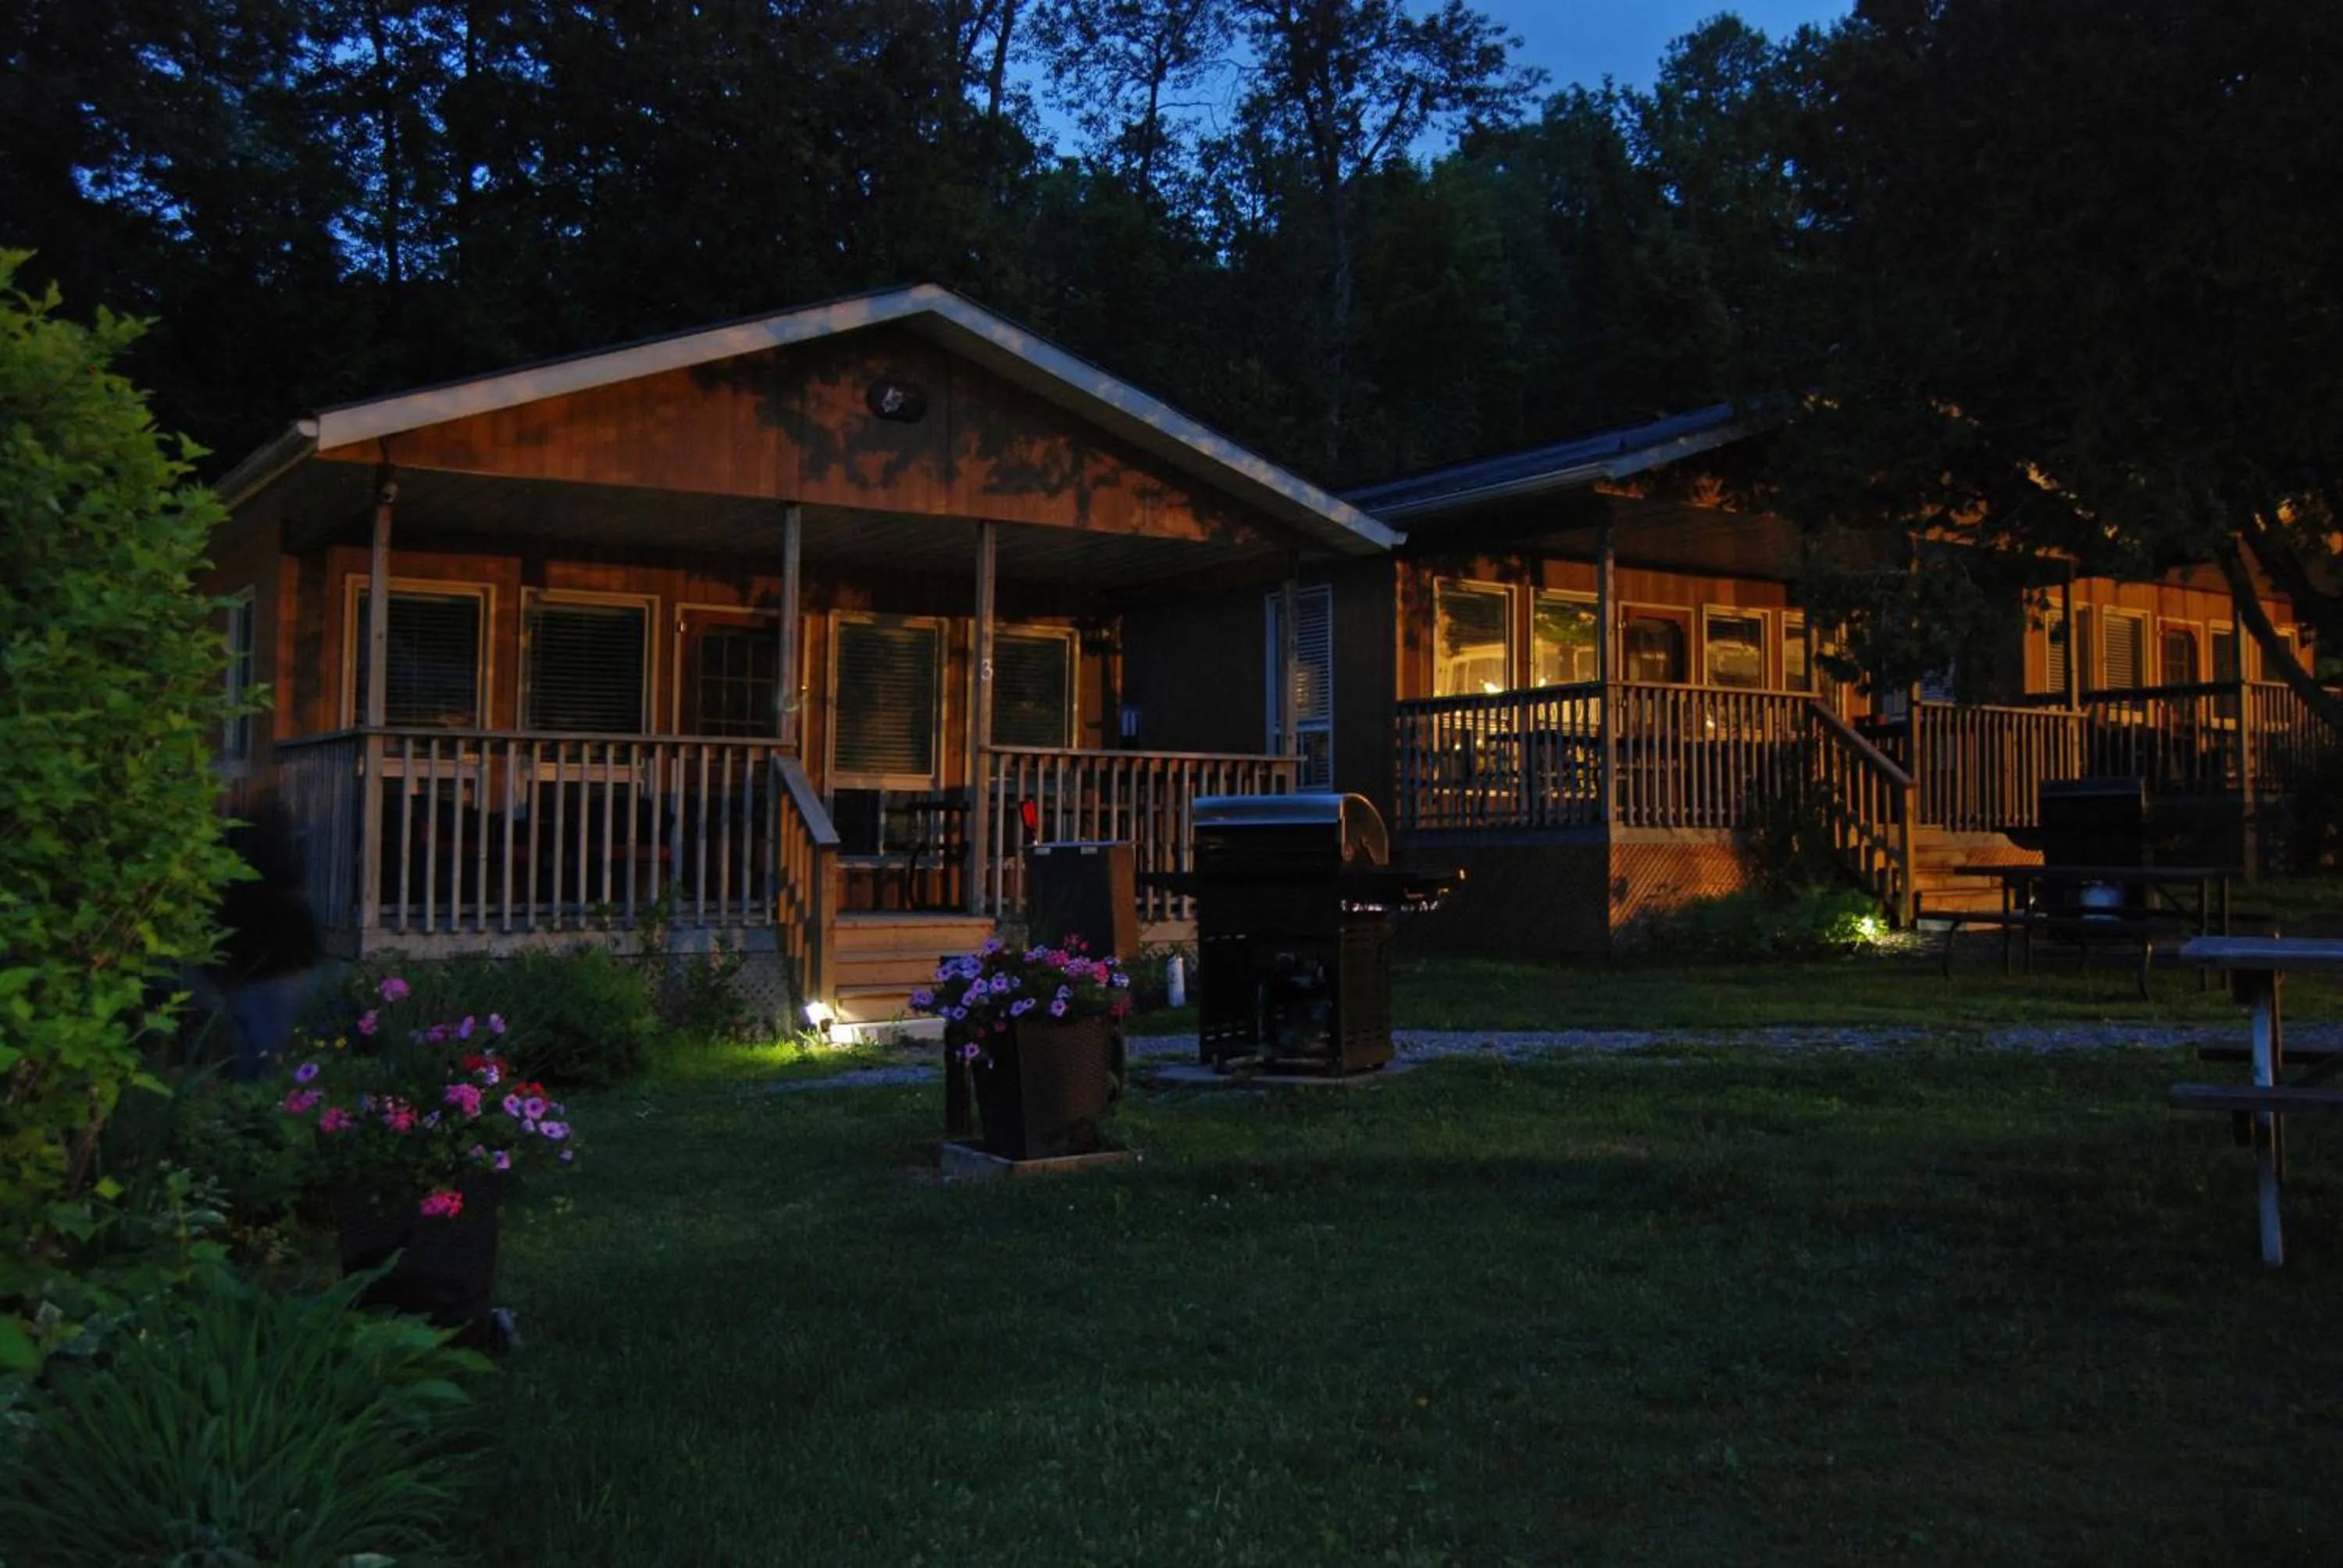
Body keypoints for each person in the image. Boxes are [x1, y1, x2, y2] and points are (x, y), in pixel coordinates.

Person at [212, 792, 319, 1081]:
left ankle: (252, 1108)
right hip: (282, 971)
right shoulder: (286, 874)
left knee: (252, 1052)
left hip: (253, 974)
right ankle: (266, 1106)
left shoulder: (244, 877)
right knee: (274, 1054)